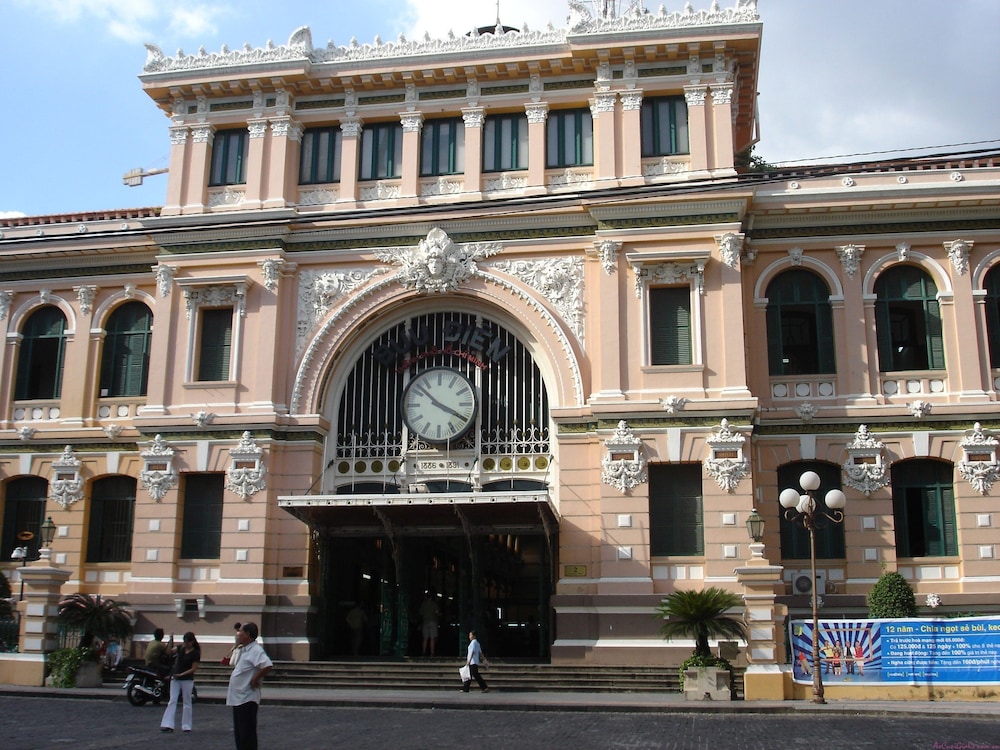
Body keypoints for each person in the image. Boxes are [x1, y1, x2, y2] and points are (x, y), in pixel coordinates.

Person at [227, 622, 273, 750]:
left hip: (247, 698)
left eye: (240, 631)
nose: (238, 634)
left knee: (247, 734)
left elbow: (267, 665)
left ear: (247, 634)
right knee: (240, 734)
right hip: (238, 698)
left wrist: (255, 679)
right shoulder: (244, 649)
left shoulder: (255, 650)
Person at [160, 631, 201, 733]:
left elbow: (193, 668)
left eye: (187, 642)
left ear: (192, 642)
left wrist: (182, 674)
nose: (186, 644)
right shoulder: (180, 648)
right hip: (176, 678)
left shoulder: (195, 653)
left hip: (187, 679)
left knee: (187, 702)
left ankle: (186, 725)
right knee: (172, 700)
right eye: (185, 642)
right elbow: (169, 652)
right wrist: (171, 640)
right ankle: (167, 724)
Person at [419, 591, 439, 656]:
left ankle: (423, 652)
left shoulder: (423, 604)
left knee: (425, 638)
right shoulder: (434, 604)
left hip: (425, 622)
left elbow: (421, 613)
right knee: (432, 638)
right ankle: (432, 652)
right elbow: (437, 612)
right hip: (433, 622)